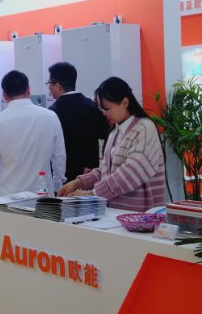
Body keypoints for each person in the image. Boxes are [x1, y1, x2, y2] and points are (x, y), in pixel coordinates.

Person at [58, 76, 166, 212]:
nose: (104, 114)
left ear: (125, 102)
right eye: (102, 109)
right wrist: (80, 182)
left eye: (107, 108)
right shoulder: (115, 132)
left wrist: (91, 193)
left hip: (140, 216)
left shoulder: (144, 127)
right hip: (115, 213)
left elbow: (131, 173)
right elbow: (106, 171)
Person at [0, 70, 66, 198]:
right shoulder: (50, 117)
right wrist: (57, 186)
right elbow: (59, 156)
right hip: (43, 194)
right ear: (28, 90)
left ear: (4, 95)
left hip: (8, 196)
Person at [47, 62, 108, 181]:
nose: (48, 87)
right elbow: (104, 133)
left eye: (49, 83)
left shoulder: (52, 113)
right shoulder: (93, 106)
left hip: (65, 176)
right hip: (91, 176)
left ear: (57, 86)